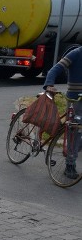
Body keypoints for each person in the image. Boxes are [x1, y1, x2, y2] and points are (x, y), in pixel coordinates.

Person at [44, 46, 82, 178]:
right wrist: (49, 84)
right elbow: (55, 69)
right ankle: (70, 165)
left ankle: (73, 151)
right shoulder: (76, 54)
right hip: (75, 99)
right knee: (75, 130)